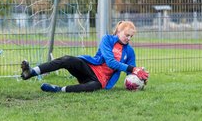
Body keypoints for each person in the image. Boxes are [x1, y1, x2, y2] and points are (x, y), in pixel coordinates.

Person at [20, 21, 149, 92]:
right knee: (67, 59)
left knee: (92, 87)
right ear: (119, 31)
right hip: (90, 68)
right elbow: (110, 62)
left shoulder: (130, 51)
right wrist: (133, 69)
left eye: (131, 36)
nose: (129, 38)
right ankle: (31, 72)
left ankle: (59, 89)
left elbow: (130, 72)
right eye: (127, 35)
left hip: (101, 81)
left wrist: (138, 80)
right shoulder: (107, 40)